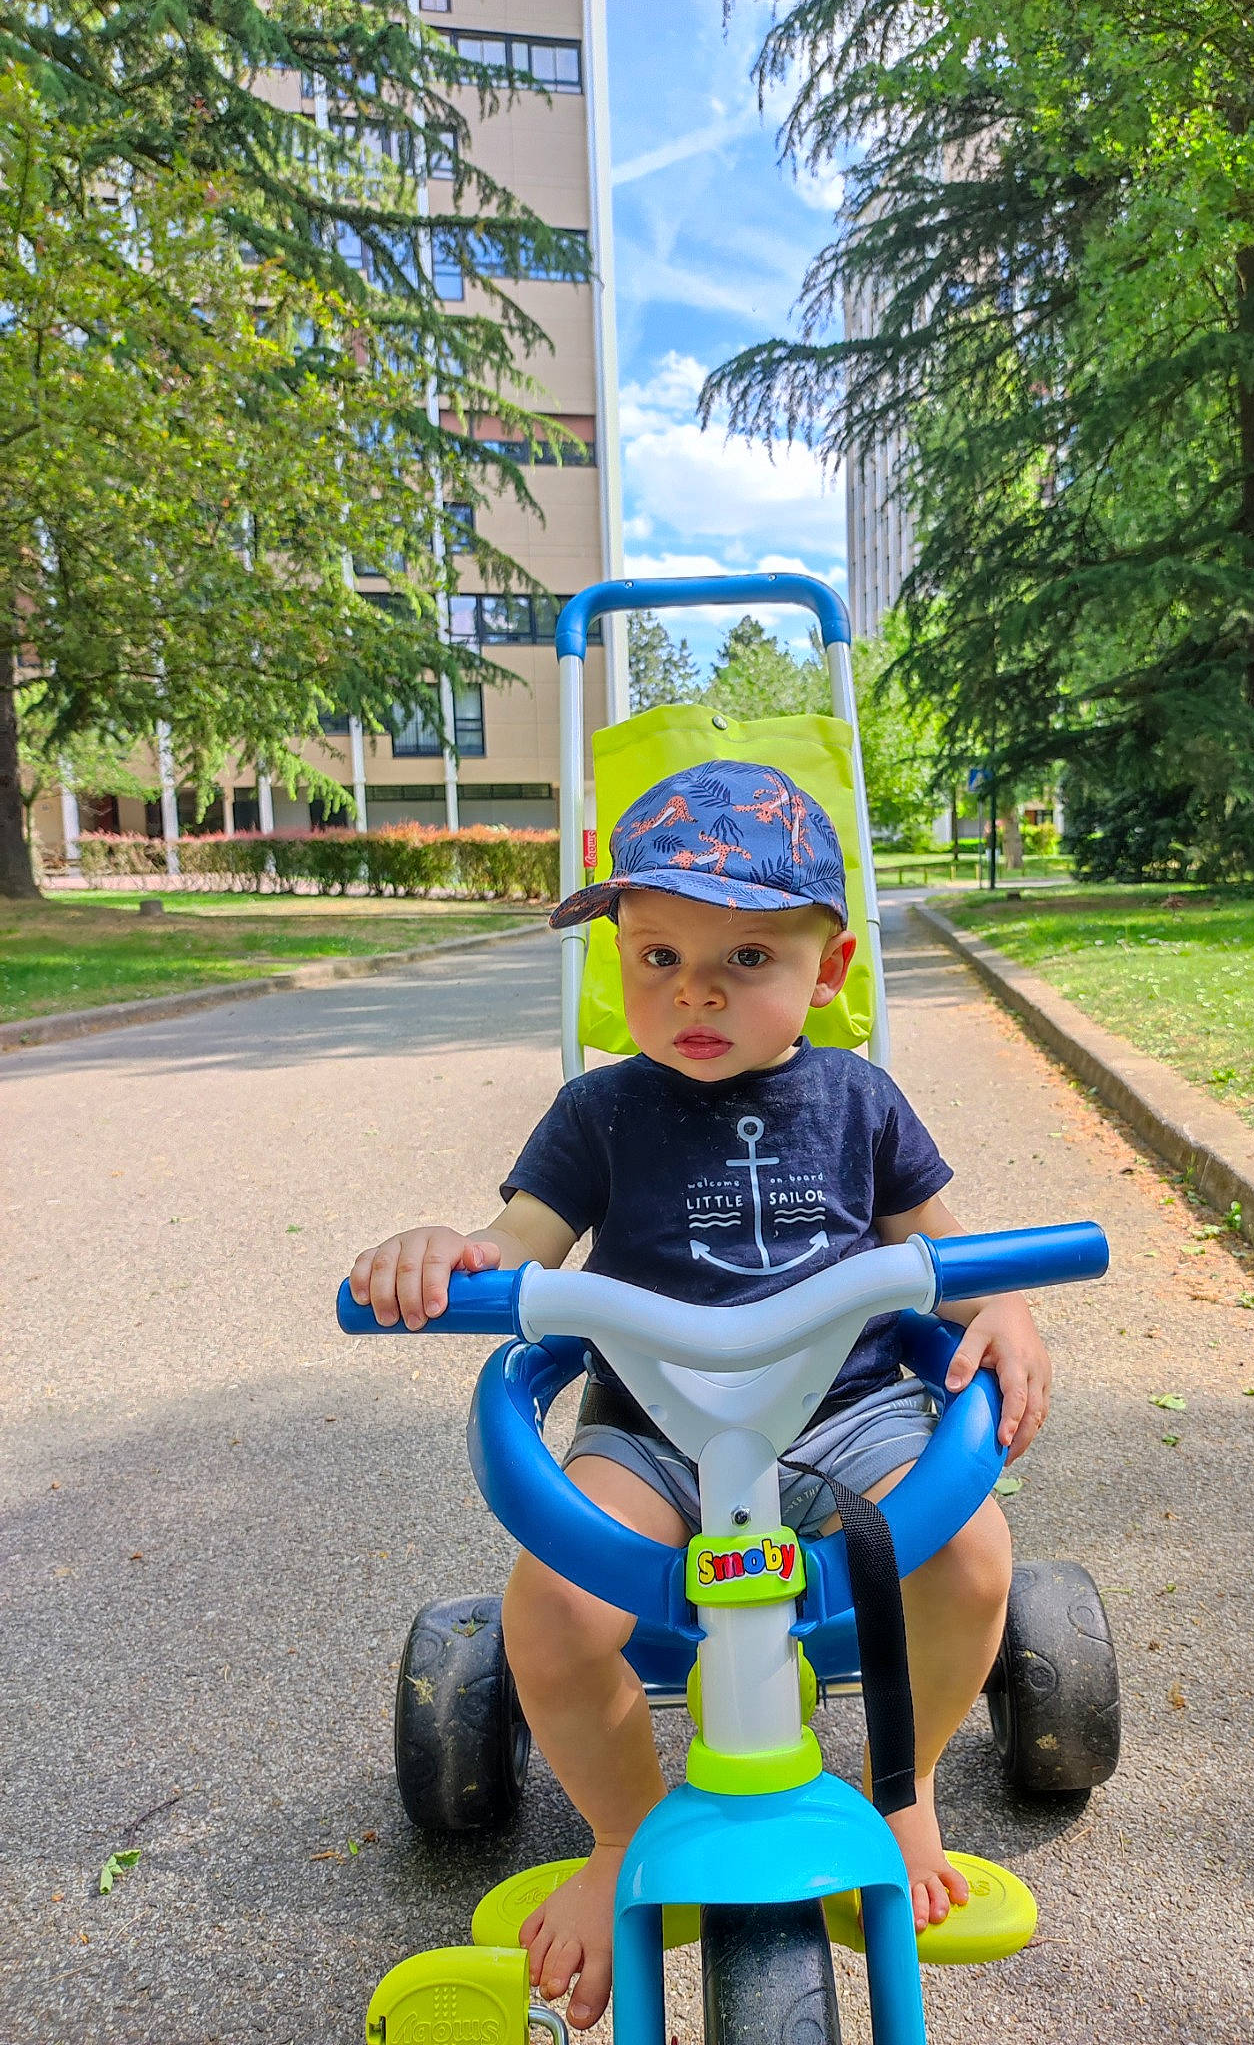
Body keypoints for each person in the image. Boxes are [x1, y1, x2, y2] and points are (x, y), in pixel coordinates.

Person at [348, 760, 1053, 2031]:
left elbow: (946, 1256)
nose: (695, 991)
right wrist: (439, 1255)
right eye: (657, 953)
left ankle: (905, 1786)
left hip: (847, 1411)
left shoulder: (859, 1100)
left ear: (825, 974)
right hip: (655, 1426)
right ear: (613, 958)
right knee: (552, 1610)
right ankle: (622, 1836)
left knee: (971, 1556)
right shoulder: (598, 1112)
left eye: (743, 956)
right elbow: (511, 1245)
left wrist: (998, 1307)